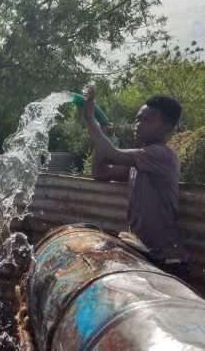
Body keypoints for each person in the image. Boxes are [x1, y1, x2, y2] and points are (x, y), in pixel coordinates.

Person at [80, 86, 188, 274]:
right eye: (137, 119)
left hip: (164, 259)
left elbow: (110, 153)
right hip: (142, 251)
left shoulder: (161, 154)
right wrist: (101, 132)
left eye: (146, 120)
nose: (138, 124)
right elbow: (100, 172)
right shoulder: (139, 161)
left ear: (167, 128)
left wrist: (90, 119)